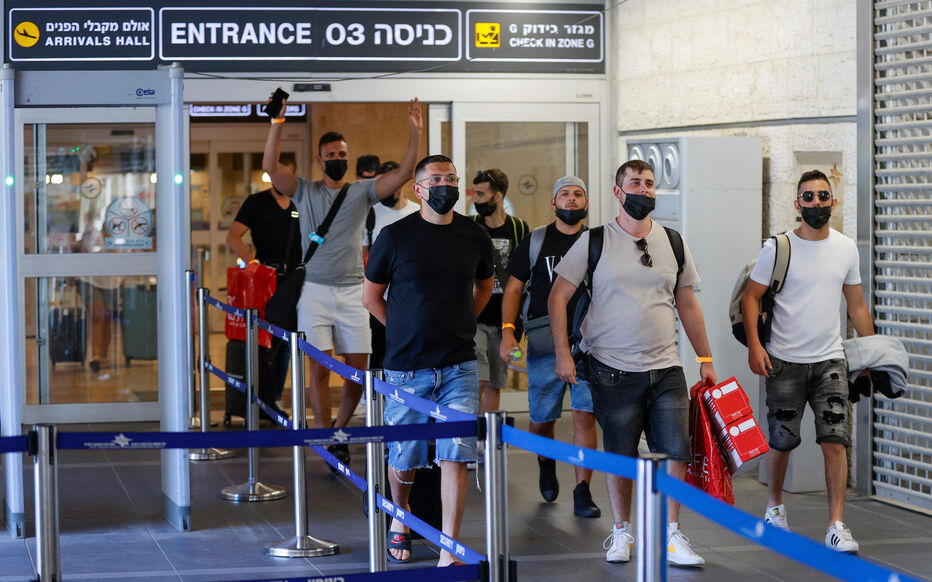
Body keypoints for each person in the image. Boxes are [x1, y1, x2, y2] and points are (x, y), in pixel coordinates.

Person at [549, 159, 716, 567]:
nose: (643, 190)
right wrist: (562, 353)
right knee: (621, 453)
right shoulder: (594, 241)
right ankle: (622, 530)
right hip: (612, 367)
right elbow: (557, 298)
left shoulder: (673, 241)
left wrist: (705, 357)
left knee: (675, 451)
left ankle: (671, 533)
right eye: (635, 184)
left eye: (649, 184)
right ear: (618, 192)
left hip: (666, 367)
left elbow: (688, 303)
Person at [262, 94, 423, 468]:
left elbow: (404, 173)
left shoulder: (361, 192)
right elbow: (270, 165)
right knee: (318, 368)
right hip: (314, 289)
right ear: (320, 160)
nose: (337, 160)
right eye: (330, 155)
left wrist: (415, 131)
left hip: (353, 289)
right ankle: (323, 434)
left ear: (348, 158)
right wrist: (276, 124)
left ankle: (339, 429)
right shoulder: (305, 189)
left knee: (358, 367)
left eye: (341, 155)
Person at [362, 154, 494, 567]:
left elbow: (485, 285)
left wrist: (462, 323)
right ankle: (400, 519)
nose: (445, 185)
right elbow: (371, 296)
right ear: (418, 189)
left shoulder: (473, 235)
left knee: (456, 453)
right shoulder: (395, 237)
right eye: (435, 179)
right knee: (406, 458)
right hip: (407, 366)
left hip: (459, 365)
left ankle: (449, 547)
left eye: (451, 178)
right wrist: (402, 331)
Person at [742, 169, 874, 553]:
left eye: (822, 196)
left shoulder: (846, 248)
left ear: (833, 201)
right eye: (808, 196)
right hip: (783, 361)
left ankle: (836, 524)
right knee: (782, 442)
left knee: (836, 441)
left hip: (830, 361)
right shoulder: (778, 248)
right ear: (797, 203)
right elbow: (751, 297)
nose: (816, 203)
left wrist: (869, 353)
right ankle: (775, 506)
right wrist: (755, 345)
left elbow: (857, 304)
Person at [499, 175, 601, 517]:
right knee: (543, 418)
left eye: (577, 194)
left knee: (585, 415)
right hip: (544, 343)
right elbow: (514, 289)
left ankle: (582, 489)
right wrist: (508, 331)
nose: (571, 200)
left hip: (589, 342)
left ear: (586, 203)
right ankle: (546, 459)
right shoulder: (536, 240)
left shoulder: (598, 242)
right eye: (564, 194)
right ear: (553, 202)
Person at [226, 157, 301, 417]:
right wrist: (252, 262)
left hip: (295, 279)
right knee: (264, 341)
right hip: (265, 279)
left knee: (286, 343)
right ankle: (261, 398)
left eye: (286, 175)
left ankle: (275, 398)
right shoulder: (256, 203)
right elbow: (233, 236)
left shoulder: (301, 201)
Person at [471, 169, 529, 417]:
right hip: (475, 316)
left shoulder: (518, 228)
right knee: (478, 378)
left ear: (498, 196)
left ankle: (486, 438)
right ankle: (466, 436)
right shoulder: (471, 227)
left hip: (505, 319)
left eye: (481, 194)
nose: (476, 199)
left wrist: (517, 323)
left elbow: (523, 275)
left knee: (495, 381)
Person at [362, 160, 420, 369]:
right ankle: (376, 399)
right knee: (379, 352)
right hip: (379, 298)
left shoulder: (417, 212)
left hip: (409, 298)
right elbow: (363, 256)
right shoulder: (371, 213)